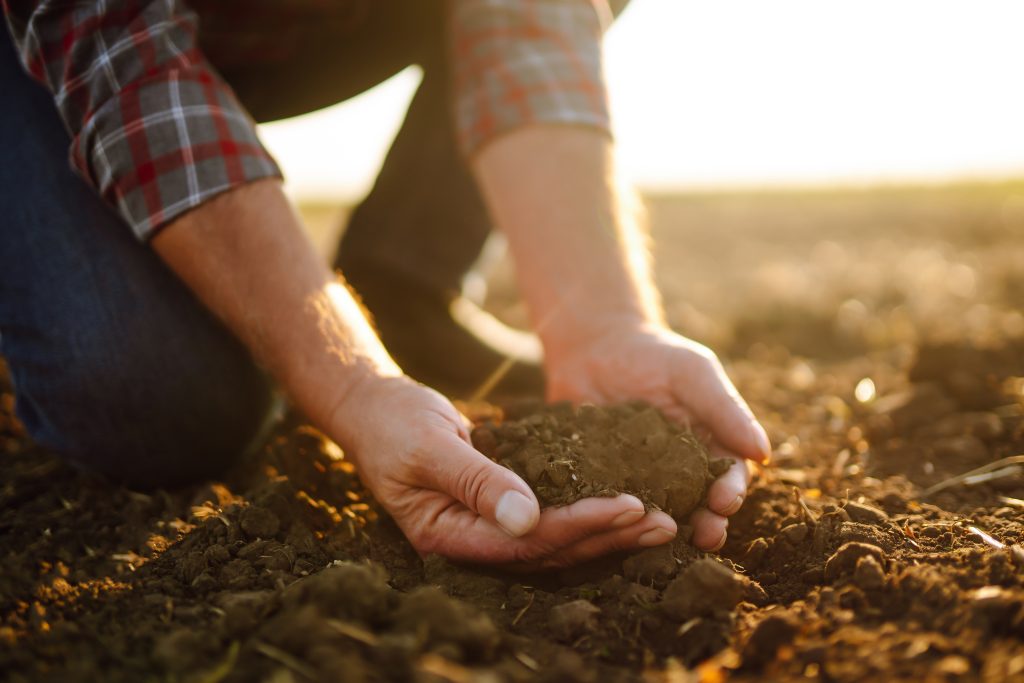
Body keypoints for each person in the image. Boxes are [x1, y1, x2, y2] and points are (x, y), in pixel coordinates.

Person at [0, 0, 770, 570]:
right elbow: (127, 67)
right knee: (168, 403)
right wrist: (351, 385)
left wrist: (603, 323)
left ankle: (403, 286)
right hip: (44, 43)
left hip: (294, 25)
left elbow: (527, 28)